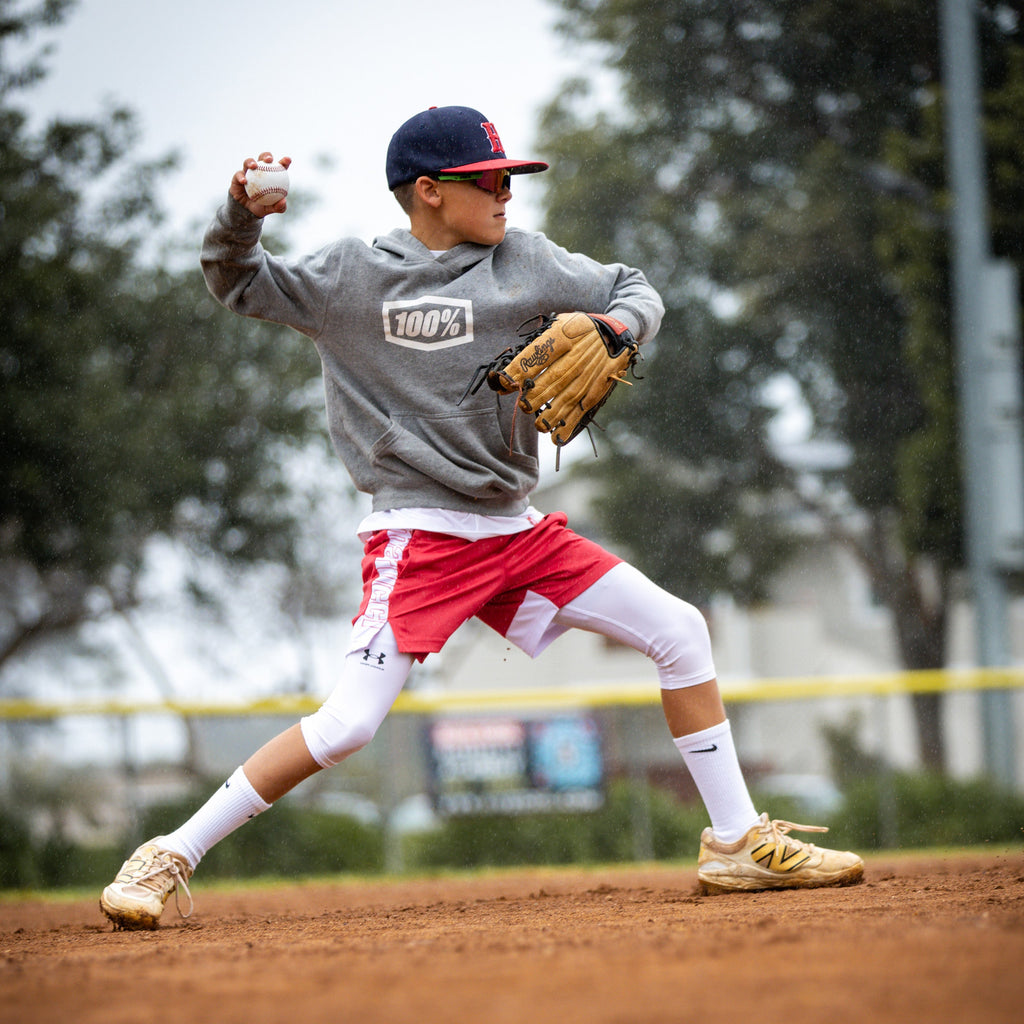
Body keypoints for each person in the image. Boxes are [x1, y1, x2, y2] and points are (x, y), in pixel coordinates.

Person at [99, 105, 863, 930]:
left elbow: (635, 288)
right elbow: (237, 280)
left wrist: (616, 326)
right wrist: (241, 214)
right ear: (428, 191)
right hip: (418, 531)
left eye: (510, 179)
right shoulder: (353, 277)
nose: (506, 195)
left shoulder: (527, 263)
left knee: (680, 630)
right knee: (350, 723)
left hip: (516, 530)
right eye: (488, 181)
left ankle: (738, 839)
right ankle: (169, 853)